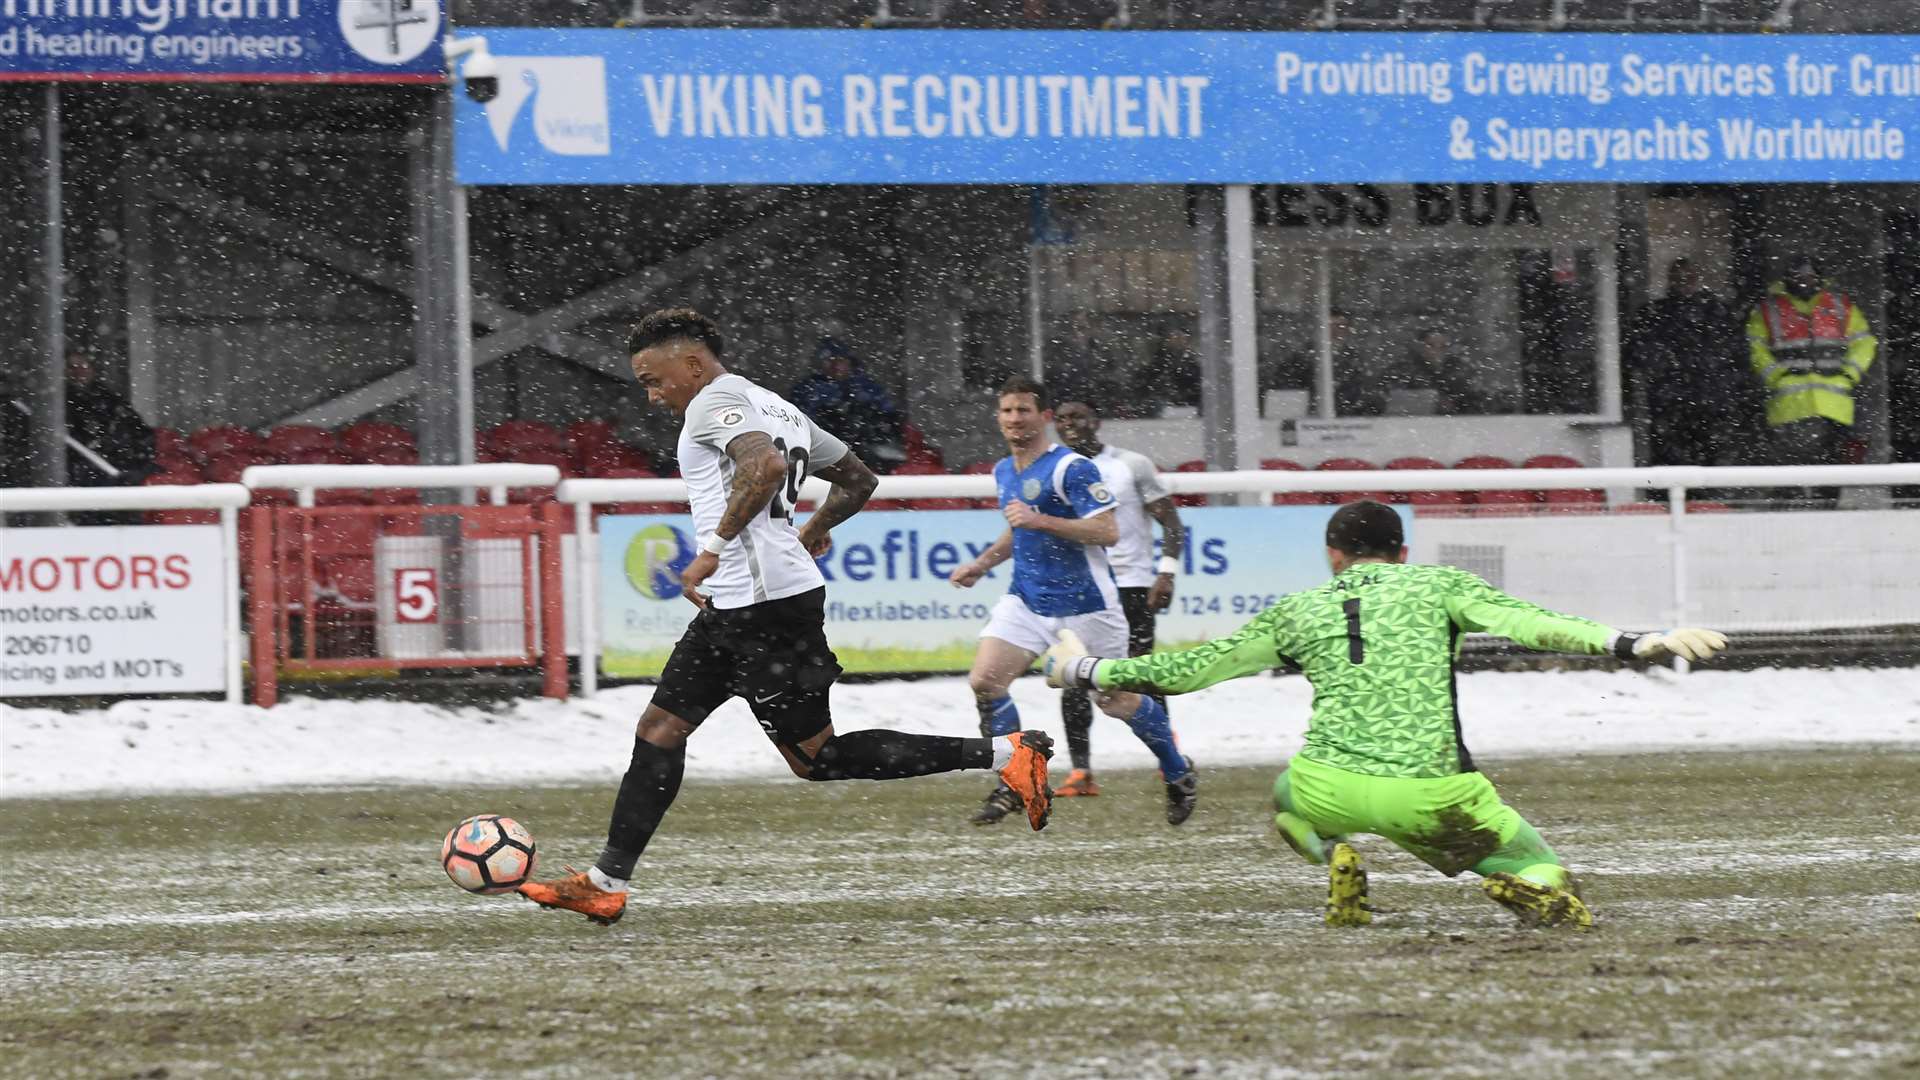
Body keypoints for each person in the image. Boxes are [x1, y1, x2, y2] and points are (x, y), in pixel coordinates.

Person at [518, 310, 1057, 926]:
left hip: (764, 607)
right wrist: (813, 528)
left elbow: (765, 468)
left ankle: (1007, 754)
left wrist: (711, 551)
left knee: (817, 758)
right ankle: (605, 882)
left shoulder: (712, 403)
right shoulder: (774, 405)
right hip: (746, 603)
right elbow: (858, 478)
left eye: (654, 379)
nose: (653, 395)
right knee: (661, 728)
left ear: (692, 365)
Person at [1040, 501, 1728, 929]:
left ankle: (1336, 853)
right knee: (1540, 866)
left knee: (1283, 798)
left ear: (1333, 556)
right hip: (1429, 793)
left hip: (1327, 784)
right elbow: (1531, 624)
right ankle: (1524, 881)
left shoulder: (1302, 607)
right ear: (1403, 552)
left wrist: (1086, 669)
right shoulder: (1439, 585)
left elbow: (1188, 671)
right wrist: (1633, 642)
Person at [947, 376, 1198, 827]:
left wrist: (1041, 519)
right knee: (986, 681)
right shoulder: (1005, 469)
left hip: (1086, 606)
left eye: (1023, 410)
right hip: (1026, 599)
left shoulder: (1072, 468)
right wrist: (982, 564)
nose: (1013, 419)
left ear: (1043, 417)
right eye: (1006, 411)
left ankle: (1178, 771)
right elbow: (1017, 528)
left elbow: (1108, 531)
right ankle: (1018, 780)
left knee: (1116, 699)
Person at [1048, 400, 1185, 799]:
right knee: (1073, 675)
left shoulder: (1131, 465)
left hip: (1132, 585)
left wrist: (1166, 573)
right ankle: (1081, 772)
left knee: (1141, 674)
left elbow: (1172, 523)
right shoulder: (1052, 468)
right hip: (1078, 589)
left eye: (1078, 417)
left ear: (1097, 422)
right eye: (1062, 418)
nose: (1070, 424)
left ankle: (1170, 760)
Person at [1746, 253, 1877, 469]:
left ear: (1819, 278)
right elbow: (1755, 348)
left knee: (1832, 473)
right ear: (1787, 278)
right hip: (1788, 406)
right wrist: (1776, 377)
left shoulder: (1840, 305)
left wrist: (1849, 374)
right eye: (1798, 277)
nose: (1804, 282)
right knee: (1790, 476)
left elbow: (1864, 343)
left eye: (1809, 277)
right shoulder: (1768, 310)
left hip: (1836, 406)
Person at [1625, 258, 1755, 467]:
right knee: (1671, 463)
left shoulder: (1718, 313)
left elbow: (1738, 356)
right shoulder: (1654, 314)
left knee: (1709, 466)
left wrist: (1724, 387)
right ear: (1670, 281)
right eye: (1679, 278)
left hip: (1710, 405)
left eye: (1689, 277)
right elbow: (1640, 355)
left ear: (1698, 279)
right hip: (1671, 406)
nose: (1684, 282)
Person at [787, 336, 905, 471]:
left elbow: (889, 417)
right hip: (826, 448)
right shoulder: (807, 389)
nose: (835, 366)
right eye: (829, 361)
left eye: (840, 360)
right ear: (820, 364)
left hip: (868, 448)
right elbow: (801, 423)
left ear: (849, 362)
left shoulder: (865, 386)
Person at [1378, 328, 1493, 415]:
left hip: (1454, 428)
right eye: (1431, 345)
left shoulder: (1460, 369)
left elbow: (1474, 399)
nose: (1437, 350)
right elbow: (1390, 398)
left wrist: (1454, 404)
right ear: (1421, 346)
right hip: (1413, 427)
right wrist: (1431, 402)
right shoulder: (1404, 369)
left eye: (1443, 346)